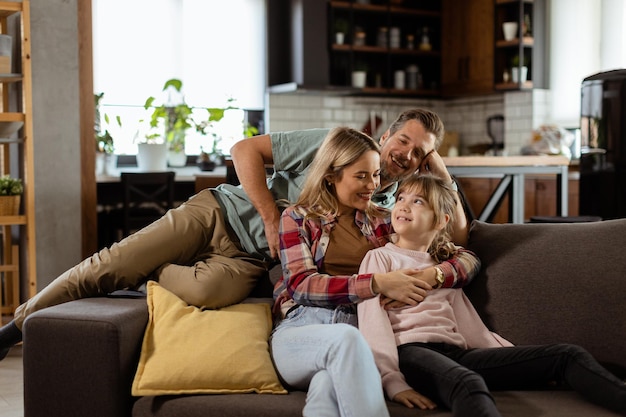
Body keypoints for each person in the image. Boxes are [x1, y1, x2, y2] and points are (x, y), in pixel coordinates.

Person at [0, 108, 461, 361]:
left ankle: (151, 272)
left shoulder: (393, 202)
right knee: (106, 265)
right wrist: (266, 215)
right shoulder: (334, 145)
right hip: (222, 213)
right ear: (388, 133)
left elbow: (457, 227)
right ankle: (12, 329)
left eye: (418, 153)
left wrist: (435, 161)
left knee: (210, 290)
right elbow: (244, 150)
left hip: (249, 260)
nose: (406, 154)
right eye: (403, 141)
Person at [357, 174, 626, 417]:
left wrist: (518, 361)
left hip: (457, 353)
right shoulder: (380, 259)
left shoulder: (445, 266)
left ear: (440, 220)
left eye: (418, 201)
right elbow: (373, 325)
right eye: (401, 198)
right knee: (469, 383)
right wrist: (392, 382)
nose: (403, 205)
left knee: (567, 355)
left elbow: (471, 327)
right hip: (411, 353)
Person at [270, 127, 480, 417]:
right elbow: (301, 285)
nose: (373, 185)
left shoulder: (381, 223)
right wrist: (378, 283)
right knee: (346, 339)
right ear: (331, 175)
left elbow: (465, 256)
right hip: (302, 332)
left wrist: (436, 275)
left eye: (376, 174)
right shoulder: (297, 217)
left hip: (356, 338)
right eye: (361, 176)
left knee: (325, 394)